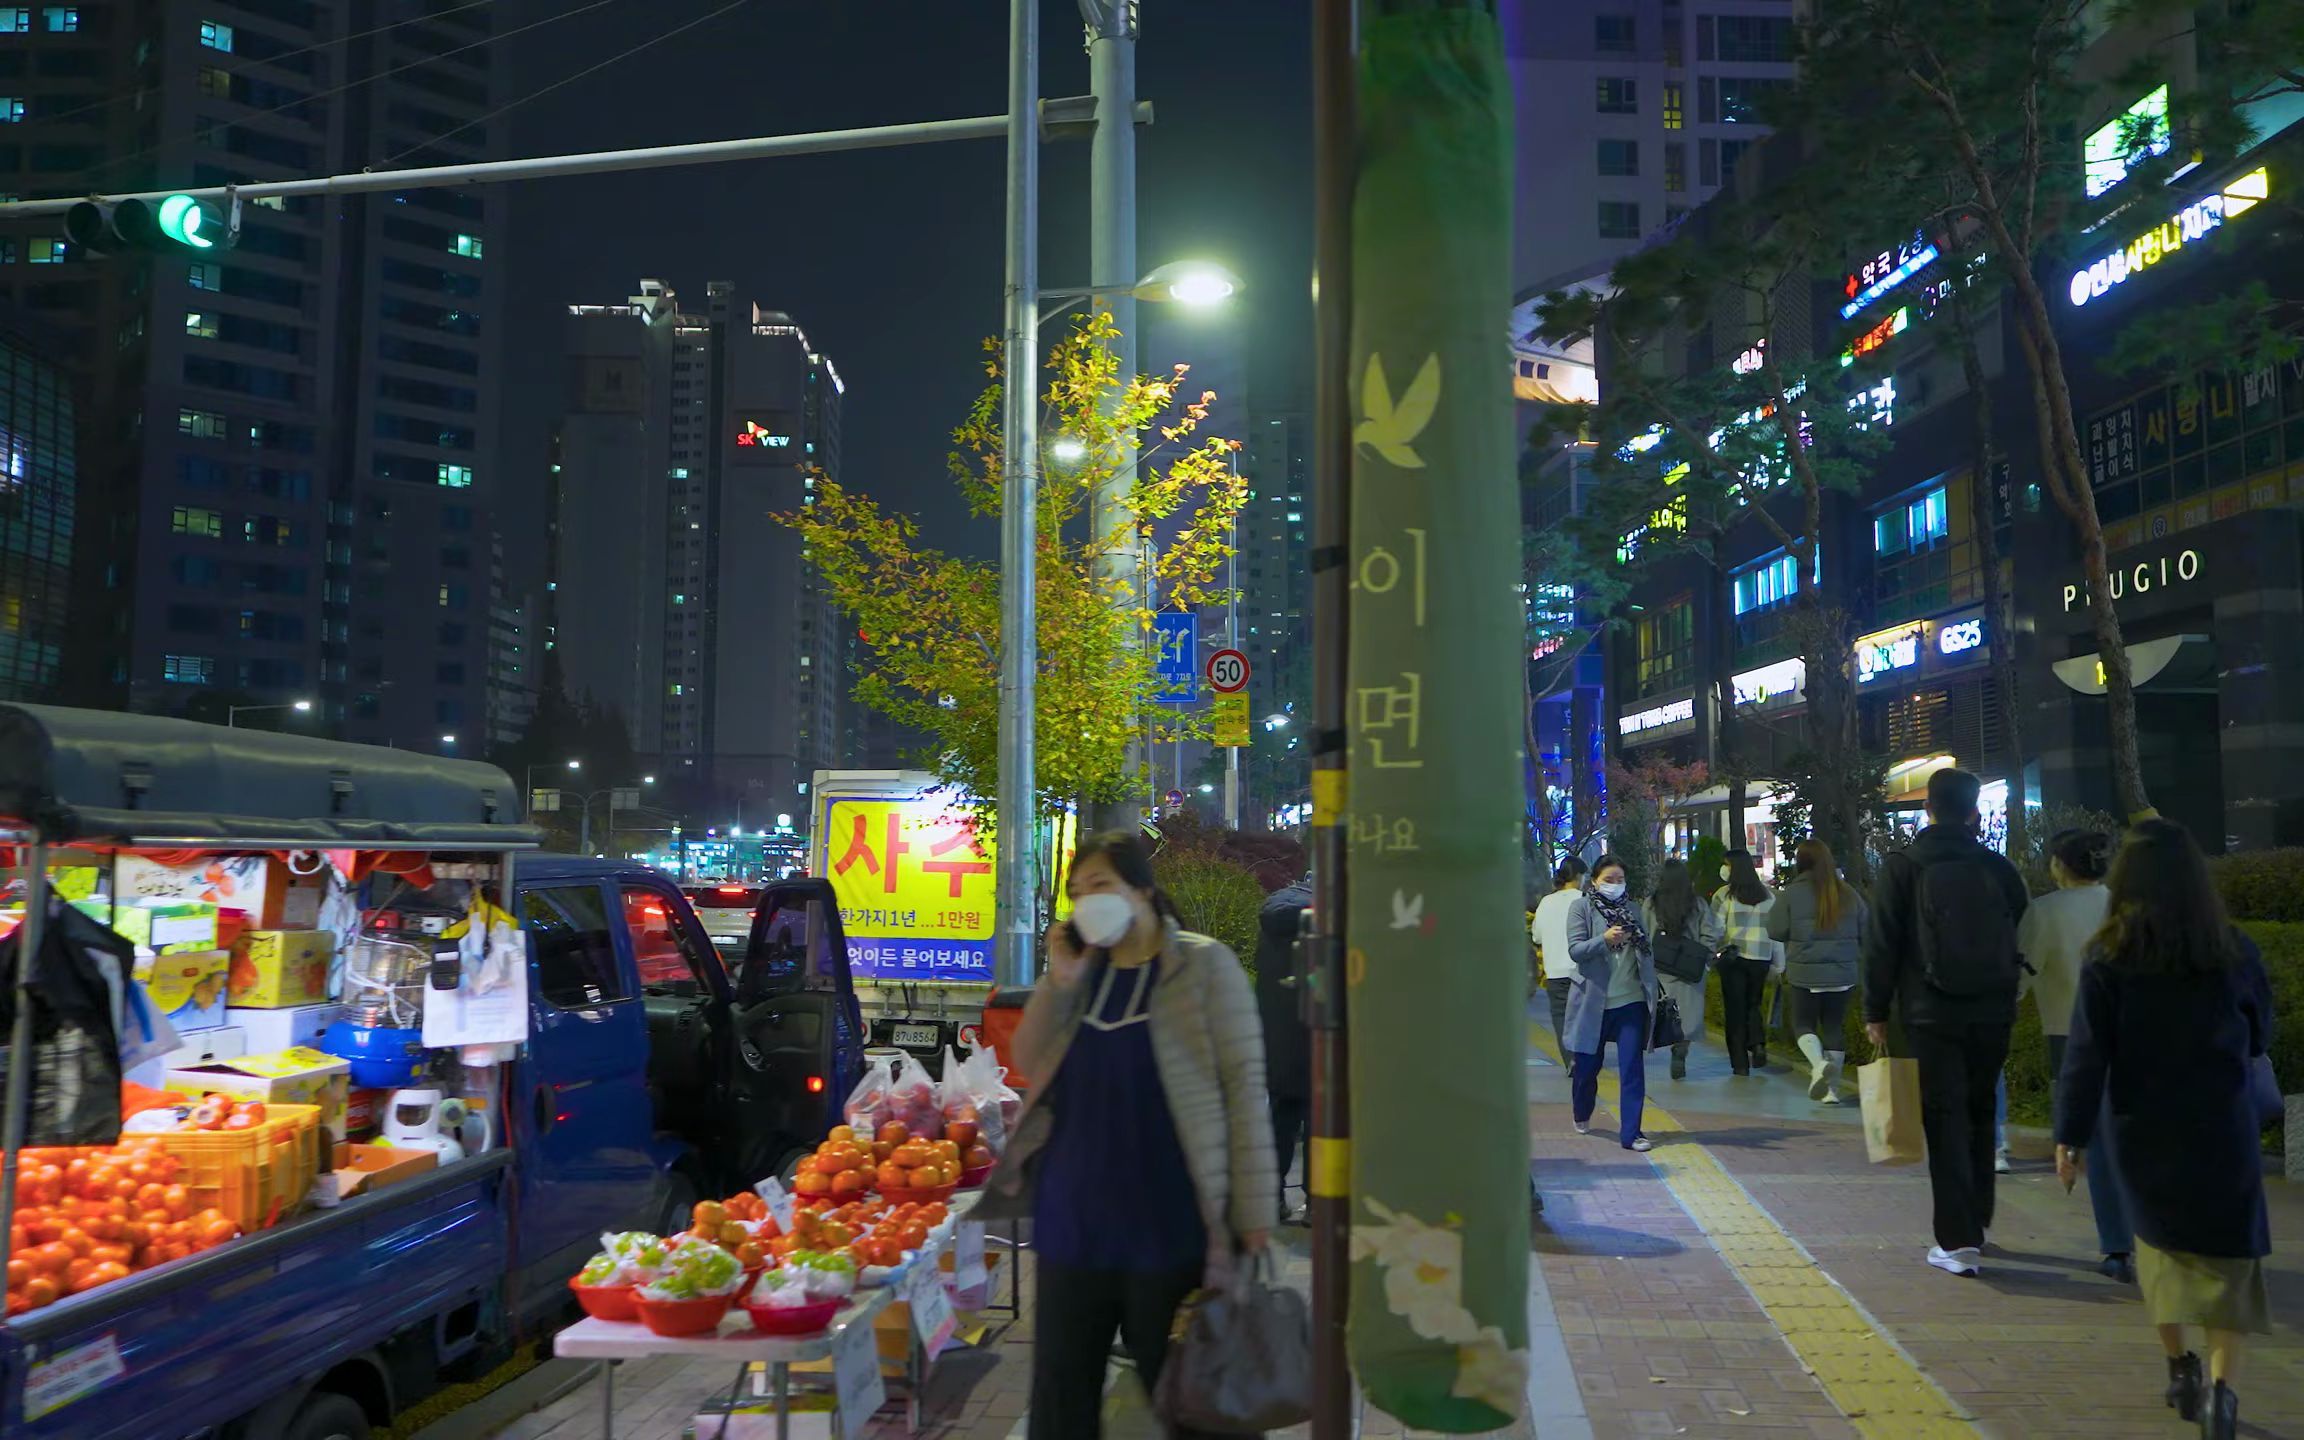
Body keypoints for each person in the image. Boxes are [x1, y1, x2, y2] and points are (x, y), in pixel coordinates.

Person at [980, 832, 1278, 1440]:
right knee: (1062, 1406)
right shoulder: (1081, 974)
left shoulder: (1203, 965)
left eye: (1101, 886)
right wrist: (1058, 981)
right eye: (1077, 892)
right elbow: (1030, 1059)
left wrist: (1252, 1213)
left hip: (1169, 1230)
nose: (1086, 901)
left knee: (1193, 1404)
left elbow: (1245, 1091)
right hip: (1073, 1229)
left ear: (1142, 889)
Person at [2055, 818, 2275, 1440]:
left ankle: (2181, 1366)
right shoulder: (2233, 949)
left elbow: (2086, 1055)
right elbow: (2260, 1034)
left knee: (2159, 1252)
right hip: (2222, 1127)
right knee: (2229, 1261)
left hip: (2140, 1128)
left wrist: (2068, 1137)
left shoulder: (2109, 956)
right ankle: (2224, 1396)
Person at [1863, 767, 2029, 1278]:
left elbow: (1882, 942)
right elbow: (2017, 924)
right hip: (1993, 1008)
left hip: (1929, 1011)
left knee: (1946, 1118)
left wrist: (1875, 1012)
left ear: (1928, 808)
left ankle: (1957, 1242)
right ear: (1974, 811)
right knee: (1981, 1111)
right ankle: (1976, 1219)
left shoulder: (1905, 866)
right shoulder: (1997, 867)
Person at [2018, 828, 2129, 1278]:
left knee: (2095, 1140)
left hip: (2069, 1035)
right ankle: (2149, 1236)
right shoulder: (2127, 908)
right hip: (2135, 1035)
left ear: (2059, 865)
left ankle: (2117, 1246)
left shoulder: (2043, 912)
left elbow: (2020, 977)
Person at [1563, 855, 1658, 1151]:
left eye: (1620, 880)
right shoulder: (1581, 907)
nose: (1615, 886)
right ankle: (1581, 1110)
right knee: (1587, 1069)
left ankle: (1632, 1134)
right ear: (1594, 881)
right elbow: (1575, 950)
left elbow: (1647, 949)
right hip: (1593, 1002)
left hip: (1630, 1001)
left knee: (1632, 1068)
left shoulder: (1632, 909)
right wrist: (1603, 939)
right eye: (1609, 880)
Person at [1768, 838, 1866, 1105]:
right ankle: (1830, 1090)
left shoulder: (1791, 893)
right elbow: (1866, 929)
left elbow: (1774, 930)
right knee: (1834, 1026)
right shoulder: (1848, 892)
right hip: (1843, 973)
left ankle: (1818, 1064)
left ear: (1801, 862)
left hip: (1805, 973)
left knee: (1803, 1024)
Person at [1254, 872, 1312, 1225]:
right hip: (1309, 1039)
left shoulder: (1279, 914)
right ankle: (1315, 1202)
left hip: (1283, 1041)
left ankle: (1274, 1199)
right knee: (1317, 1124)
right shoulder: (1312, 911)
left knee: (1282, 1121)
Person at [1701, 849, 1777, 1075]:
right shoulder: (1769, 895)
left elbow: (1716, 929)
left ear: (1733, 868)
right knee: (1753, 1004)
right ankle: (1758, 1044)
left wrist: (1711, 953)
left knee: (1734, 1011)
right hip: (1761, 958)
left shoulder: (1724, 895)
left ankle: (1740, 1064)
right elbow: (1776, 931)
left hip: (1734, 958)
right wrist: (1779, 963)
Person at [1643, 858, 1709, 1081]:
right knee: (1689, 1016)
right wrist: (1705, 955)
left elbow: (1642, 933)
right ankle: (1681, 1050)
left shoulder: (1651, 903)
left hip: (1661, 968)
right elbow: (1709, 934)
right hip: (1690, 969)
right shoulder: (1697, 904)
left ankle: (1665, 1041)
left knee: (1666, 1012)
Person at [1532, 856, 1589, 1054]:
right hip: (1580, 970)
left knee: (1560, 1015)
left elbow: (1537, 936)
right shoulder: (1585, 900)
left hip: (1554, 970)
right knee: (1582, 1015)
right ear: (1578, 876)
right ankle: (1582, 1055)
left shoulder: (1546, 901)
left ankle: (1569, 1059)